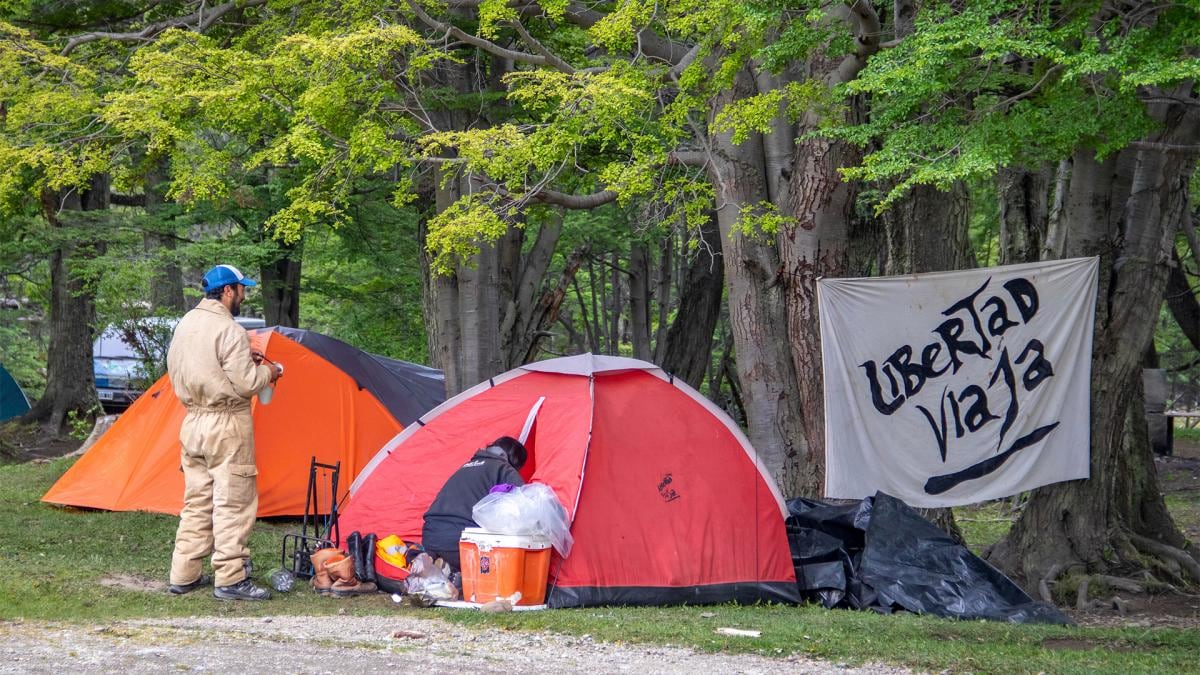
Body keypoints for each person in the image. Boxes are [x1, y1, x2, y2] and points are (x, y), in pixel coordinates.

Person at [166, 264, 283, 601]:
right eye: (242, 289)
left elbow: (183, 367)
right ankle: (231, 578)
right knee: (233, 501)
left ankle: (184, 574)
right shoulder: (228, 329)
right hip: (227, 424)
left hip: (192, 423)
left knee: (196, 501)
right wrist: (270, 371)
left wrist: (246, 359)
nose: (244, 296)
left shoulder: (186, 324)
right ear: (229, 291)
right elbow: (246, 383)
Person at [421, 436, 527, 573]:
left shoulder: (466, 466)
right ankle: (457, 573)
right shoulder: (504, 468)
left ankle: (445, 569)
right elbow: (525, 504)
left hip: (430, 536)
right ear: (512, 460)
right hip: (459, 542)